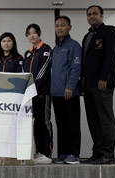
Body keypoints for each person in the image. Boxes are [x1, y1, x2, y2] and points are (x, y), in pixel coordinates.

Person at [80, 5, 115, 165]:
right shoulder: (87, 36)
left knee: (105, 120)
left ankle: (108, 155)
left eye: (95, 14)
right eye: (89, 14)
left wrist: (104, 78)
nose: (91, 16)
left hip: (102, 84)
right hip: (88, 86)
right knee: (93, 121)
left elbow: (111, 56)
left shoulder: (109, 31)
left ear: (101, 16)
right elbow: (85, 62)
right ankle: (97, 153)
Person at [51, 16, 82, 164]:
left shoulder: (74, 45)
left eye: (62, 25)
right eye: (57, 25)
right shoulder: (56, 48)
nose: (59, 28)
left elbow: (76, 68)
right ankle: (64, 152)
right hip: (56, 93)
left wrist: (70, 86)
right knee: (61, 125)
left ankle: (74, 154)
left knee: (72, 124)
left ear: (69, 27)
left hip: (69, 92)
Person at [23, 24, 53, 164]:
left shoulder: (46, 49)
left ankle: (46, 153)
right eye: (29, 33)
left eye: (34, 33)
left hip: (42, 93)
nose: (32, 36)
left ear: (39, 34)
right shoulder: (27, 53)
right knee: (33, 124)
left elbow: (43, 71)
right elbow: (25, 74)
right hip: (30, 95)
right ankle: (37, 152)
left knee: (44, 122)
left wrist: (33, 88)